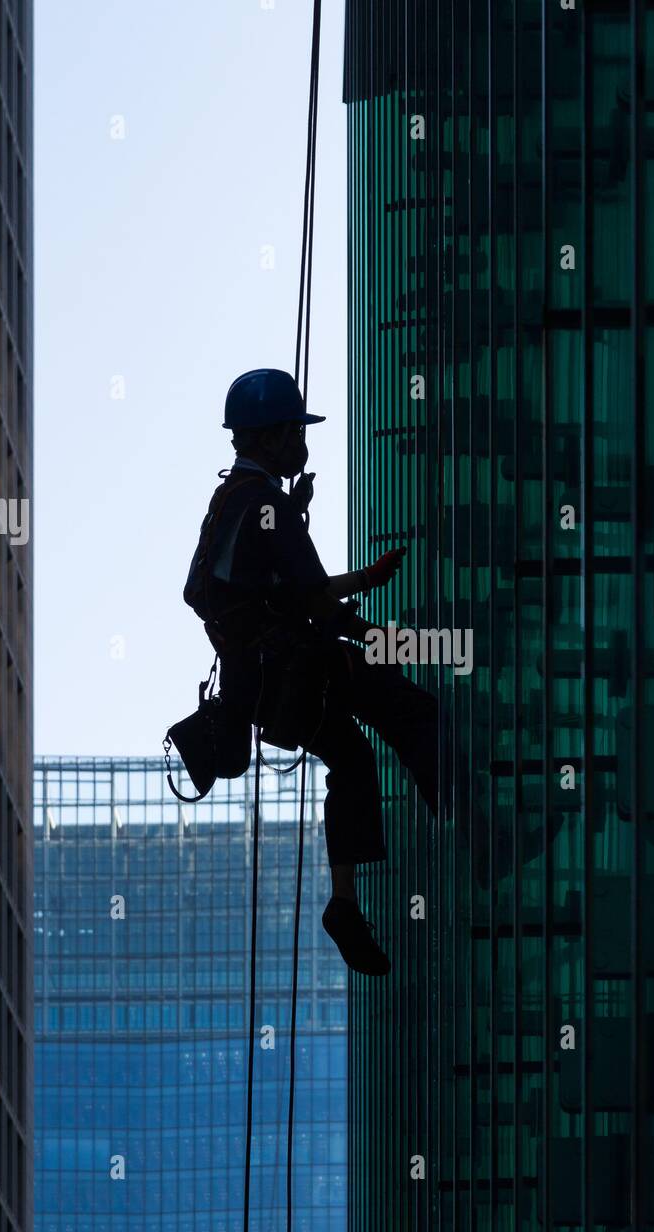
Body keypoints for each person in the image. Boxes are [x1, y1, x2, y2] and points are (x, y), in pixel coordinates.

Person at [183, 368, 438, 977]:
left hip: (269, 689)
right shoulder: (264, 502)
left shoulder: (232, 501)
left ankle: (344, 901)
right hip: (301, 666)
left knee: (352, 759)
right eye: (297, 431)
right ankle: (487, 841)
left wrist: (365, 581)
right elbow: (314, 603)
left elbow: (245, 590)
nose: (305, 443)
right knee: (416, 713)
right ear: (271, 438)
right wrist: (386, 639)